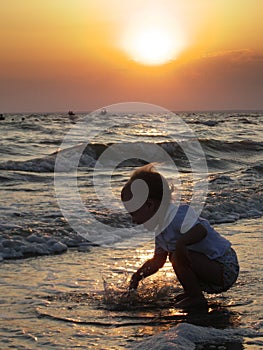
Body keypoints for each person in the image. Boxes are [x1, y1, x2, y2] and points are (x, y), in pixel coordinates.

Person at [121, 164, 239, 309]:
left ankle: (196, 297)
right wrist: (137, 277)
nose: (133, 219)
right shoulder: (160, 229)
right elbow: (158, 262)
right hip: (209, 269)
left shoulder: (177, 215)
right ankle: (191, 293)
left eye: (133, 213)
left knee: (176, 255)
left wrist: (181, 244)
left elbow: (201, 230)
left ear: (149, 204)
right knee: (174, 255)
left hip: (224, 266)